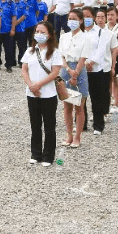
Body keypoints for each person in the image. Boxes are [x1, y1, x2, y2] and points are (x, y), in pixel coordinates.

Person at [21, 21, 64, 167]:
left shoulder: (55, 53)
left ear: (50, 35)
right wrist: (31, 85)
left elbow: (55, 73)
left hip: (48, 94)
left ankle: (48, 155)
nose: (39, 34)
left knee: (49, 125)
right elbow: (24, 69)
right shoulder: (30, 51)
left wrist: (39, 85)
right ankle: (35, 153)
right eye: (37, 31)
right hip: (32, 93)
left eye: (42, 32)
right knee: (35, 124)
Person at [59, 9, 92, 148]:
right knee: (67, 106)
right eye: (69, 18)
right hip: (65, 70)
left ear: (80, 21)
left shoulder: (86, 37)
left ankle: (78, 137)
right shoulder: (64, 37)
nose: (71, 21)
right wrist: (68, 70)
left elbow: (83, 57)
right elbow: (61, 56)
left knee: (79, 106)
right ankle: (69, 135)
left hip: (79, 70)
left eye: (74, 18)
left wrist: (75, 73)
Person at [85, 7, 115, 135]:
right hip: (82, 68)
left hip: (97, 68)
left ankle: (98, 125)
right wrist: (84, 63)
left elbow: (102, 50)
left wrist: (91, 62)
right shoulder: (80, 32)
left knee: (97, 98)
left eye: (89, 16)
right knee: (81, 98)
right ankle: (82, 123)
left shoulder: (101, 32)